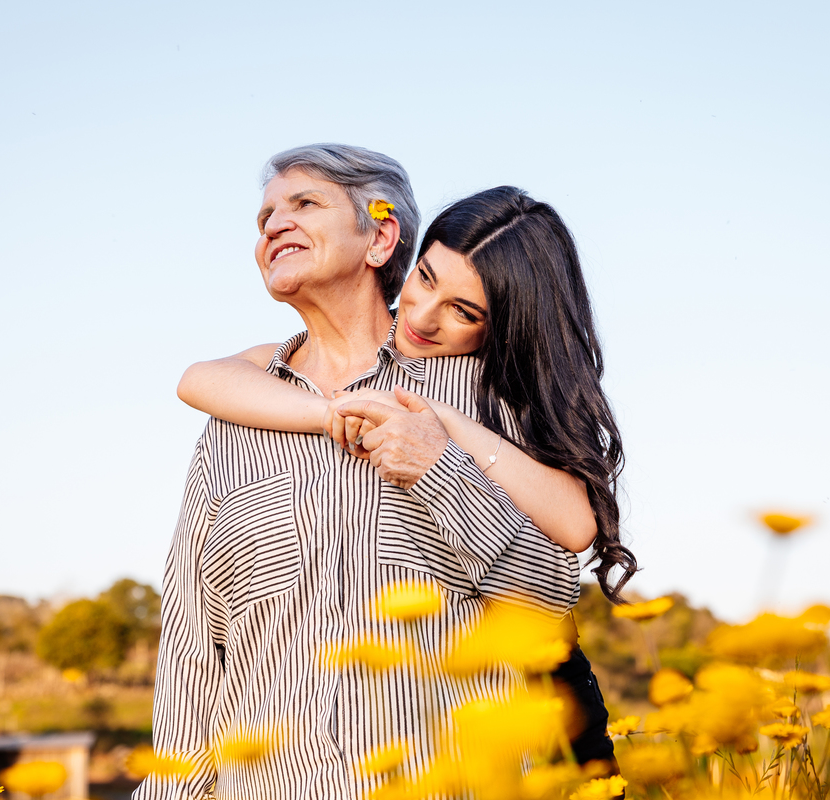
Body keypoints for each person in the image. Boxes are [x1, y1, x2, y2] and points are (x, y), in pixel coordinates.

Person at [138, 144, 585, 800]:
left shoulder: (482, 395)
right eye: (264, 216)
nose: (272, 224)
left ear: (380, 237)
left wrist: (440, 469)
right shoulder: (232, 423)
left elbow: (551, 593)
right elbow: (190, 647)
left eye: (304, 204)